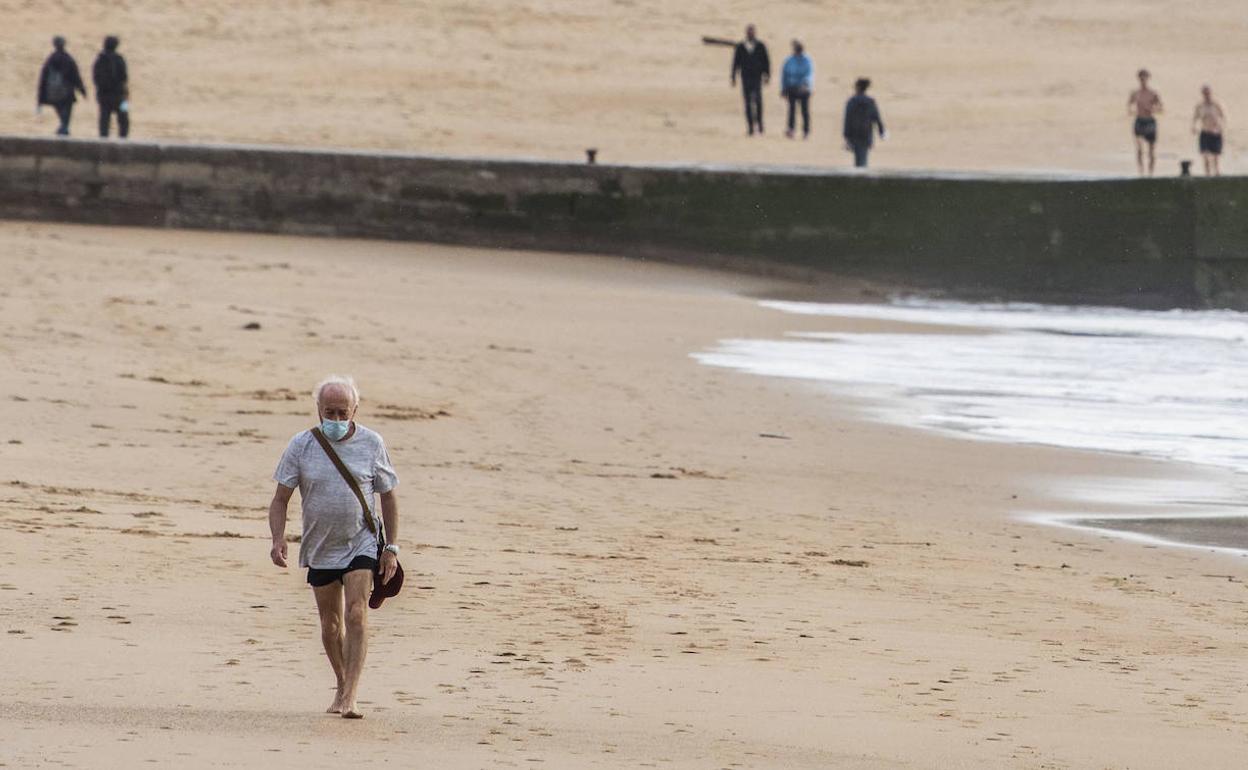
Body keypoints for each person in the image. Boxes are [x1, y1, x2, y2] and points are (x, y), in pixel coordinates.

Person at [269, 375, 401, 720]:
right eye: (330, 412)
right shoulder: (301, 445)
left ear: (355, 409)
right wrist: (277, 537)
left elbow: (388, 496)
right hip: (320, 545)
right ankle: (341, 683)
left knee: (357, 613)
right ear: (318, 409)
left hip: (361, 541)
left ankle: (351, 696)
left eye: (344, 413)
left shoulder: (373, 443)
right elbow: (280, 498)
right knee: (330, 624)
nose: (337, 420)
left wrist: (392, 549)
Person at [36, 36, 87, 136]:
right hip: (67, 92)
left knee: (62, 116)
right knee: (66, 116)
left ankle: (63, 130)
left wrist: (40, 99)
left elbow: (43, 79)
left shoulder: (50, 59)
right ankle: (64, 130)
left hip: (53, 93)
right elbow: (76, 77)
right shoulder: (68, 59)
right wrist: (82, 90)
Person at [731, 24, 770, 136]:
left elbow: (766, 61)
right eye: (748, 32)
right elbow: (735, 62)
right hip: (745, 77)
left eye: (752, 32)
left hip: (757, 77)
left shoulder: (760, 46)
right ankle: (750, 127)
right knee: (747, 103)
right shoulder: (741, 46)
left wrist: (767, 75)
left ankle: (760, 124)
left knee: (758, 101)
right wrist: (733, 76)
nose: (750, 34)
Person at [92, 35, 130, 139]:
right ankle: (123, 139)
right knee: (123, 119)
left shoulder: (99, 60)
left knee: (104, 118)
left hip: (104, 95)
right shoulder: (119, 59)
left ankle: (103, 139)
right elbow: (124, 77)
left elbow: (95, 77)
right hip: (119, 95)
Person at [843, 78, 885, 168]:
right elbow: (877, 118)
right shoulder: (870, 102)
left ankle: (859, 178)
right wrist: (881, 132)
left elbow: (847, 119)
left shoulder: (851, 101)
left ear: (857, 87)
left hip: (854, 134)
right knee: (862, 158)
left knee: (858, 160)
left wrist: (846, 136)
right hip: (866, 134)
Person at [1128, 69, 1163, 176]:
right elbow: (1129, 105)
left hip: (1149, 121)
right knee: (1139, 148)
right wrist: (1132, 111)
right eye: (1141, 78)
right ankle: (1141, 172)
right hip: (1139, 120)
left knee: (1151, 150)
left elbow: (1160, 108)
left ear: (1148, 78)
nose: (1143, 80)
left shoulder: (1152, 93)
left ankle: (1150, 173)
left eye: (1145, 77)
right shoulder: (1135, 93)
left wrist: (1152, 110)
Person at [780, 40, 813, 139]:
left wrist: (805, 85)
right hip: (792, 88)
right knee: (792, 110)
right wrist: (784, 88)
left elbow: (809, 74)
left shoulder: (807, 60)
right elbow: (784, 75)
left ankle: (806, 131)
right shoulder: (789, 60)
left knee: (805, 111)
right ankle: (791, 129)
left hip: (803, 89)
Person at [1192, 84, 1226, 177]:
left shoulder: (1216, 104)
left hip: (1215, 132)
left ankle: (1217, 173)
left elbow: (1222, 116)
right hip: (1205, 132)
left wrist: (1220, 127)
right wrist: (1194, 127)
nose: (1206, 95)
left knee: (1216, 156)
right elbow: (1195, 117)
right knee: (1205, 155)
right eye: (1204, 93)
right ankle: (1207, 174)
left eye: (1208, 93)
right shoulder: (1200, 106)